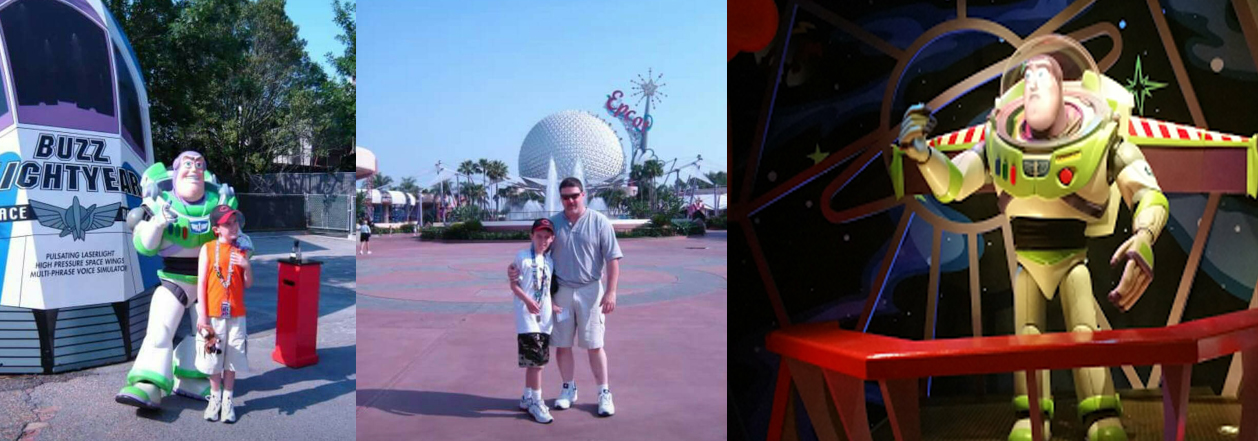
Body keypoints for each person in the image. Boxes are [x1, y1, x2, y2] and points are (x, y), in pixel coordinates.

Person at [897, 36, 1166, 440]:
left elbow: (1146, 192)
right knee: (1028, 339)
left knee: (1084, 334)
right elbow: (953, 184)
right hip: (1027, 261)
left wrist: (1145, 236)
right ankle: (1031, 416)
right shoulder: (997, 140)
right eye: (1029, 76)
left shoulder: (1102, 136)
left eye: (1044, 74)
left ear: (1062, 88)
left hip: (1073, 258)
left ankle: (1101, 414)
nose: (1034, 82)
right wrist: (923, 155)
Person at [117, 151, 251, 410]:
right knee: (160, 330)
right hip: (174, 280)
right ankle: (148, 383)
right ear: (177, 172)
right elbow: (145, 246)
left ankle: (193, 377)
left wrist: (243, 249)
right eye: (188, 164)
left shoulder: (218, 205)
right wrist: (158, 223)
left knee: (207, 335)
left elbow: (240, 239)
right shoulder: (160, 203)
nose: (194, 169)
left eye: (199, 164)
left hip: (210, 283)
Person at [508, 177, 622, 417]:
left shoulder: (600, 222)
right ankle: (568, 388)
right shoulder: (555, 224)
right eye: (565, 197)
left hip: (591, 290)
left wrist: (611, 291)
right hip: (561, 293)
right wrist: (514, 268)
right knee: (563, 344)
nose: (570, 201)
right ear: (560, 198)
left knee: (594, 344)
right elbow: (537, 250)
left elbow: (612, 259)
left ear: (583, 195)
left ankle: (603, 392)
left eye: (574, 196)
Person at [196, 205, 253, 423]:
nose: (233, 227)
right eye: (227, 224)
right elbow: (201, 283)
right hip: (213, 314)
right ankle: (215, 398)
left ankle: (228, 400)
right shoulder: (208, 249)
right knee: (213, 358)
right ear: (216, 229)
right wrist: (202, 315)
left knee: (233, 358)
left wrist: (247, 266)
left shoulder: (241, 250)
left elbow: (248, 284)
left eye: (235, 222)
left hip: (237, 314)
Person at [511, 218, 560, 424]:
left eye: (547, 237)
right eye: (539, 236)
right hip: (527, 316)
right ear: (531, 236)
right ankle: (537, 402)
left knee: (534, 361)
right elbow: (514, 285)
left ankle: (527, 396)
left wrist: (552, 305)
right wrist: (528, 301)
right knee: (537, 363)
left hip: (544, 318)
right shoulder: (522, 257)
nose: (543, 241)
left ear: (552, 238)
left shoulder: (549, 261)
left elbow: (545, 288)